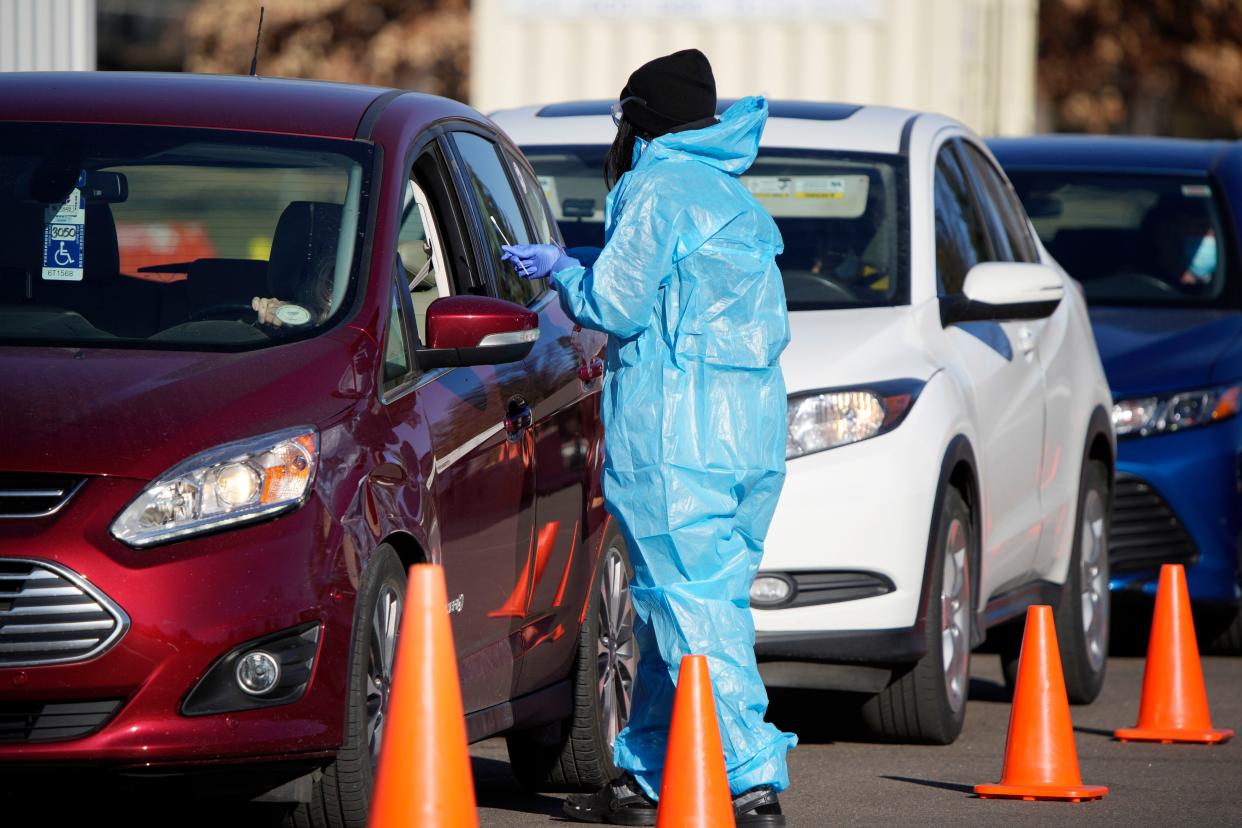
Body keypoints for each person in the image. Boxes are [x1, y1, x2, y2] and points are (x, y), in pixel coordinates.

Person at [501, 49, 795, 827]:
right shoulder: (731, 199)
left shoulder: (657, 187)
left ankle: (751, 781)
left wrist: (564, 269)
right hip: (747, 442)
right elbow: (681, 297)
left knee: (693, 616)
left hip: (675, 441)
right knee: (685, 606)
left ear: (641, 120)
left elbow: (619, 304)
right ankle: (646, 775)